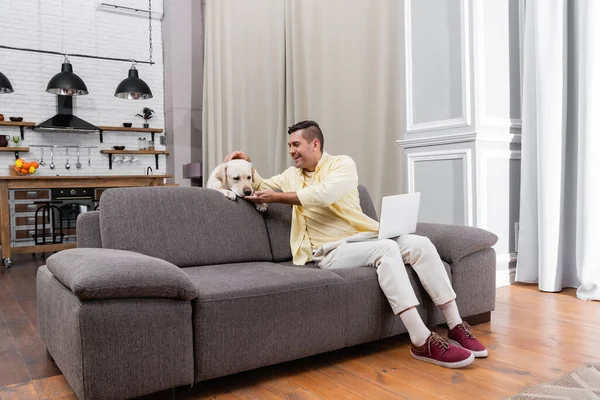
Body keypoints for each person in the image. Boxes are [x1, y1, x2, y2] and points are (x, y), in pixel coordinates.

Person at [224, 120, 486, 369]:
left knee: (421, 244)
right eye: (289, 146)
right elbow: (259, 185)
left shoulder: (342, 165)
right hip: (330, 252)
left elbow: (324, 195)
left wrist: (279, 197)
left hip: (364, 238)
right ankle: (421, 341)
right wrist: (244, 165)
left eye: (296, 145)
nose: (291, 151)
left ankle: (455, 324)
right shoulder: (291, 176)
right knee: (387, 250)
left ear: (315, 144)